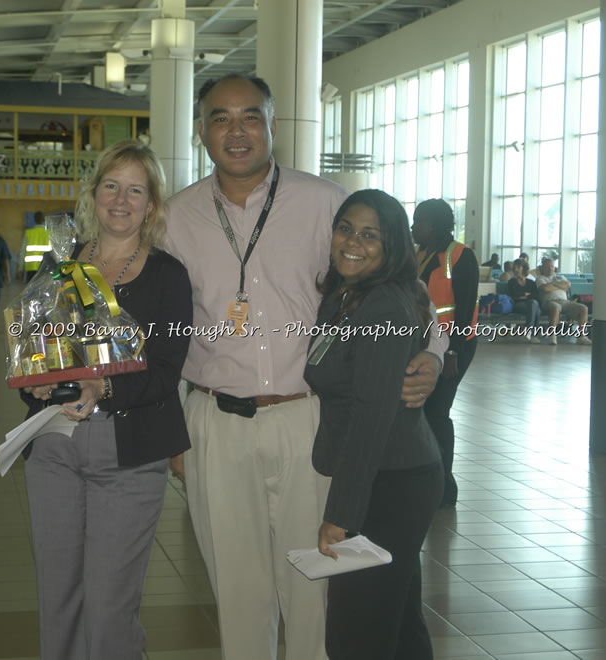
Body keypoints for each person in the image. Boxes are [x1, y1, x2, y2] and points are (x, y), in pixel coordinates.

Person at [164, 73, 445, 660]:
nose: (236, 131)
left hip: (310, 422)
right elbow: (155, 325)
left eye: (250, 116)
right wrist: (173, 434)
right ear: (201, 131)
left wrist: (434, 353)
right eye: (220, 118)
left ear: (273, 126)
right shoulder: (175, 217)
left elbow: (405, 284)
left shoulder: (324, 202)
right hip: (215, 421)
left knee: (318, 586)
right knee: (237, 592)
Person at [19, 141, 192, 660]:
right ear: (92, 194)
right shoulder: (58, 262)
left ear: (151, 205)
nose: (121, 200)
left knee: (110, 606)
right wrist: (34, 380)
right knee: (58, 598)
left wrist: (103, 387)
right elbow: (31, 346)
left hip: (129, 452)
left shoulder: (168, 276)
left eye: (135, 190)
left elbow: (166, 370)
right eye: (111, 186)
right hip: (53, 447)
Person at [307, 189, 442, 660]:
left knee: (356, 636)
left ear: (393, 246)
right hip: (389, 475)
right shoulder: (346, 296)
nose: (353, 242)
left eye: (370, 235)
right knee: (397, 624)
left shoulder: (382, 306)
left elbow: (371, 418)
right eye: (345, 229)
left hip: (392, 482)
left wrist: (340, 516)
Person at [411, 198, 479, 508]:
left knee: (437, 413)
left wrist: (453, 352)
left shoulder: (461, 256)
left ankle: (445, 488)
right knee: (423, 413)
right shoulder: (419, 254)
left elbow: (465, 309)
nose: (414, 227)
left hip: (453, 348)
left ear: (435, 224)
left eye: (419, 222)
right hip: (425, 345)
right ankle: (428, 481)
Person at [536, 256, 591, 346]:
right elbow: (545, 288)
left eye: (552, 266)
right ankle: (552, 336)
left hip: (565, 302)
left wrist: (552, 285)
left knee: (583, 308)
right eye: (547, 267)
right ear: (542, 268)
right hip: (549, 302)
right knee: (556, 307)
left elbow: (567, 285)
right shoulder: (540, 278)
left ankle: (582, 337)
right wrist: (560, 286)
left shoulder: (561, 277)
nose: (550, 269)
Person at [508, 259, 541, 342]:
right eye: (514, 267)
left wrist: (522, 295)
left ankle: (529, 331)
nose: (516, 269)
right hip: (518, 305)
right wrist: (526, 294)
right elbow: (513, 295)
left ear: (524, 268)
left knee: (534, 304)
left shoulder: (531, 282)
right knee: (535, 308)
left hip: (530, 305)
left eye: (518, 267)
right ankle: (533, 335)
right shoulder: (512, 282)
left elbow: (536, 296)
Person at [21, 210, 49, 282]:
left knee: (31, 288)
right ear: (44, 220)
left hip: (31, 267)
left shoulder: (29, 233)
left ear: (35, 220)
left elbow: (23, 251)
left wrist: (20, 268)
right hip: (45, 266)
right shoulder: (49, 233)